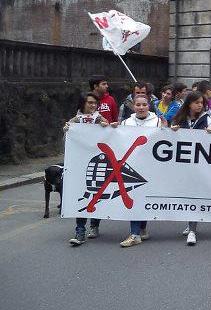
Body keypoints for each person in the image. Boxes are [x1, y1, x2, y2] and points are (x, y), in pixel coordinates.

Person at [118, 94, 165, 247]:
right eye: (138, 104)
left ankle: (142, 228)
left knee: (145, 198)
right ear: (133, 106)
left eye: (144, 104)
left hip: (151, 166)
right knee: (135, 197)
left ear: (149, 105)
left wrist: (169, 129)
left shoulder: (157, 121)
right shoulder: (126, 122)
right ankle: (135, 233)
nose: (141, 107)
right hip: (132, 166)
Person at [65, 92, 110, 246]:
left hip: (98, 164)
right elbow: (68, 141)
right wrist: (66, 131)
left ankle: (95, 225)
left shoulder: (101, 119)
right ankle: (80, 231)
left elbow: (112, 136)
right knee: (82, 197)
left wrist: (107, 127)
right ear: (82, 104)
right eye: (89, 102)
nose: (92, 106)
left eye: (94, 103)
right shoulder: (74, 121)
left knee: (97, 194)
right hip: (80, 165)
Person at [170, 91, 211, 245]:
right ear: (189, 104)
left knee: (195, 195)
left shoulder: (206, 119)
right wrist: (173, 132)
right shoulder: (178, 119)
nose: (200, 105)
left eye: (202, 103)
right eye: (197, 102)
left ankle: (192, 229)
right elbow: (169, 137)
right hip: (182, 166)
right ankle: (189, 222)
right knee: (185, 194)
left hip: (200, 166)